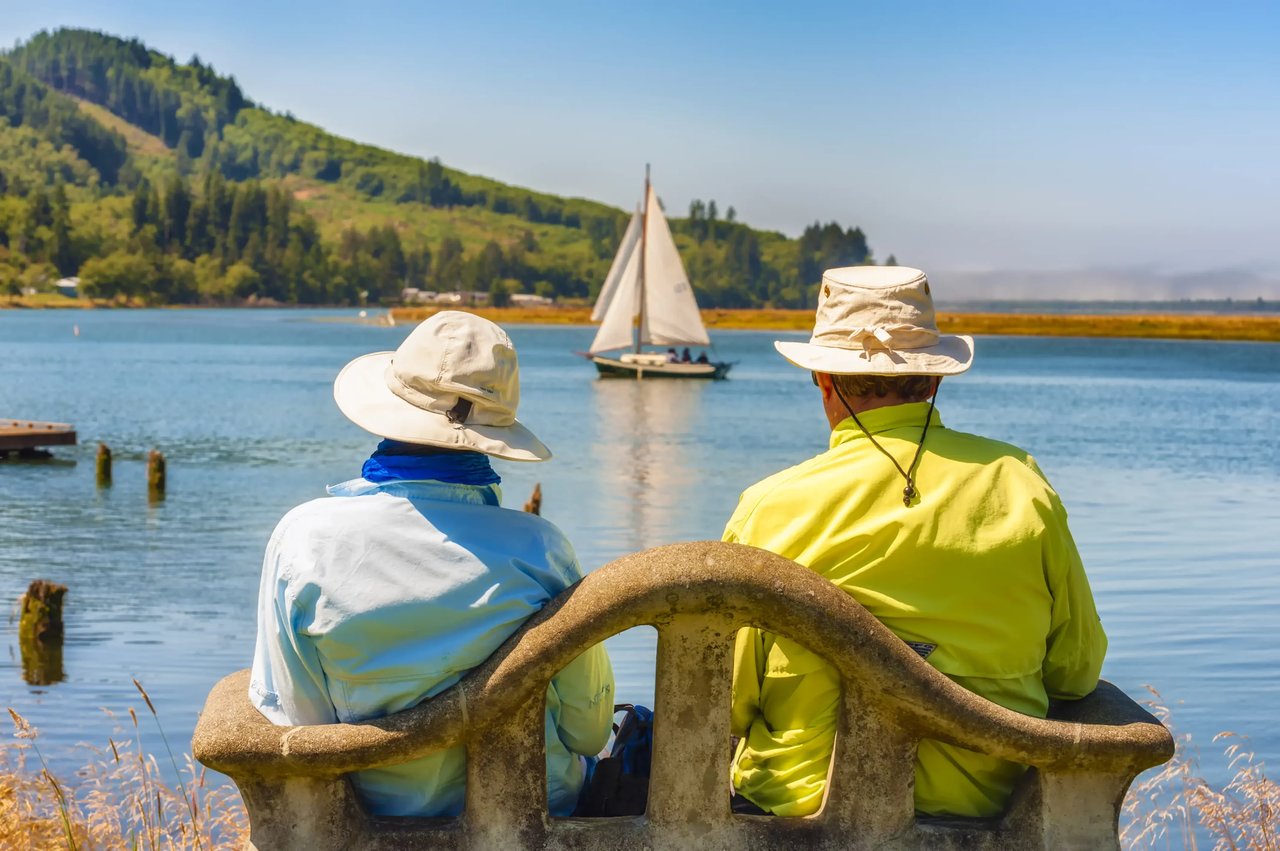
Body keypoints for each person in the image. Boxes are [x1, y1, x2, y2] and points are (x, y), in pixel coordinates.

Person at [725, 266, 1106, 819]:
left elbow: (729, 705)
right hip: (979, 813)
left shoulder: (769, 508)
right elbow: (1075, 671)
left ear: (823, 380)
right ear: (933, 380)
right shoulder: (1021, 485)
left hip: (796, 815)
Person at [250, 311, 614, 818]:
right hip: (533, 812)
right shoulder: (541, 549)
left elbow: (297, 719)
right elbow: (589, 732)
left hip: (377, 815)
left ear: (390, 408)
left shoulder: (304, 538)